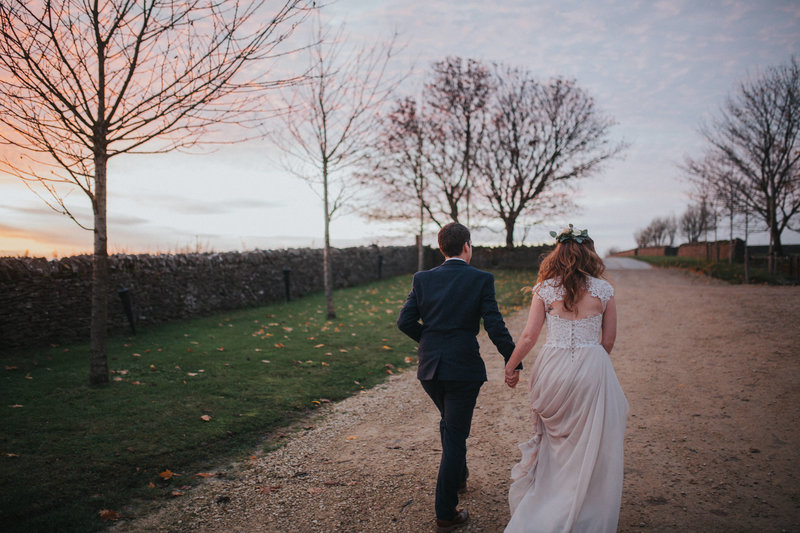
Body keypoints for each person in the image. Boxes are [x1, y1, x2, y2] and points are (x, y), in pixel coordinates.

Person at [503, 224, 629, 533]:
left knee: (555, 441)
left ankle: (549, 501)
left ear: (557, 253)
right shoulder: (604, 290)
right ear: (590, 253)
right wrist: (591, 365)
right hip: (592, 365)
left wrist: (511, 366)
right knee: (590, 442)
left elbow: (530, 336)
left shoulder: (544, 289)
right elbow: (608, 340)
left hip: (553, 367)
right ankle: (586, 506)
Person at [397, 222, 518, 532]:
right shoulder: (481, 279)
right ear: (467, 246)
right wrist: (512, 358)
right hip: (463, 369)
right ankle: (445, 512)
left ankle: (459, 477)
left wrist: (429, 340)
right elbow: (494, 324)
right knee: (454, 435)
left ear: (442, 248)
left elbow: (405, 321)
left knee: (450, 425)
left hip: (430, 370)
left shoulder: (422, 279)